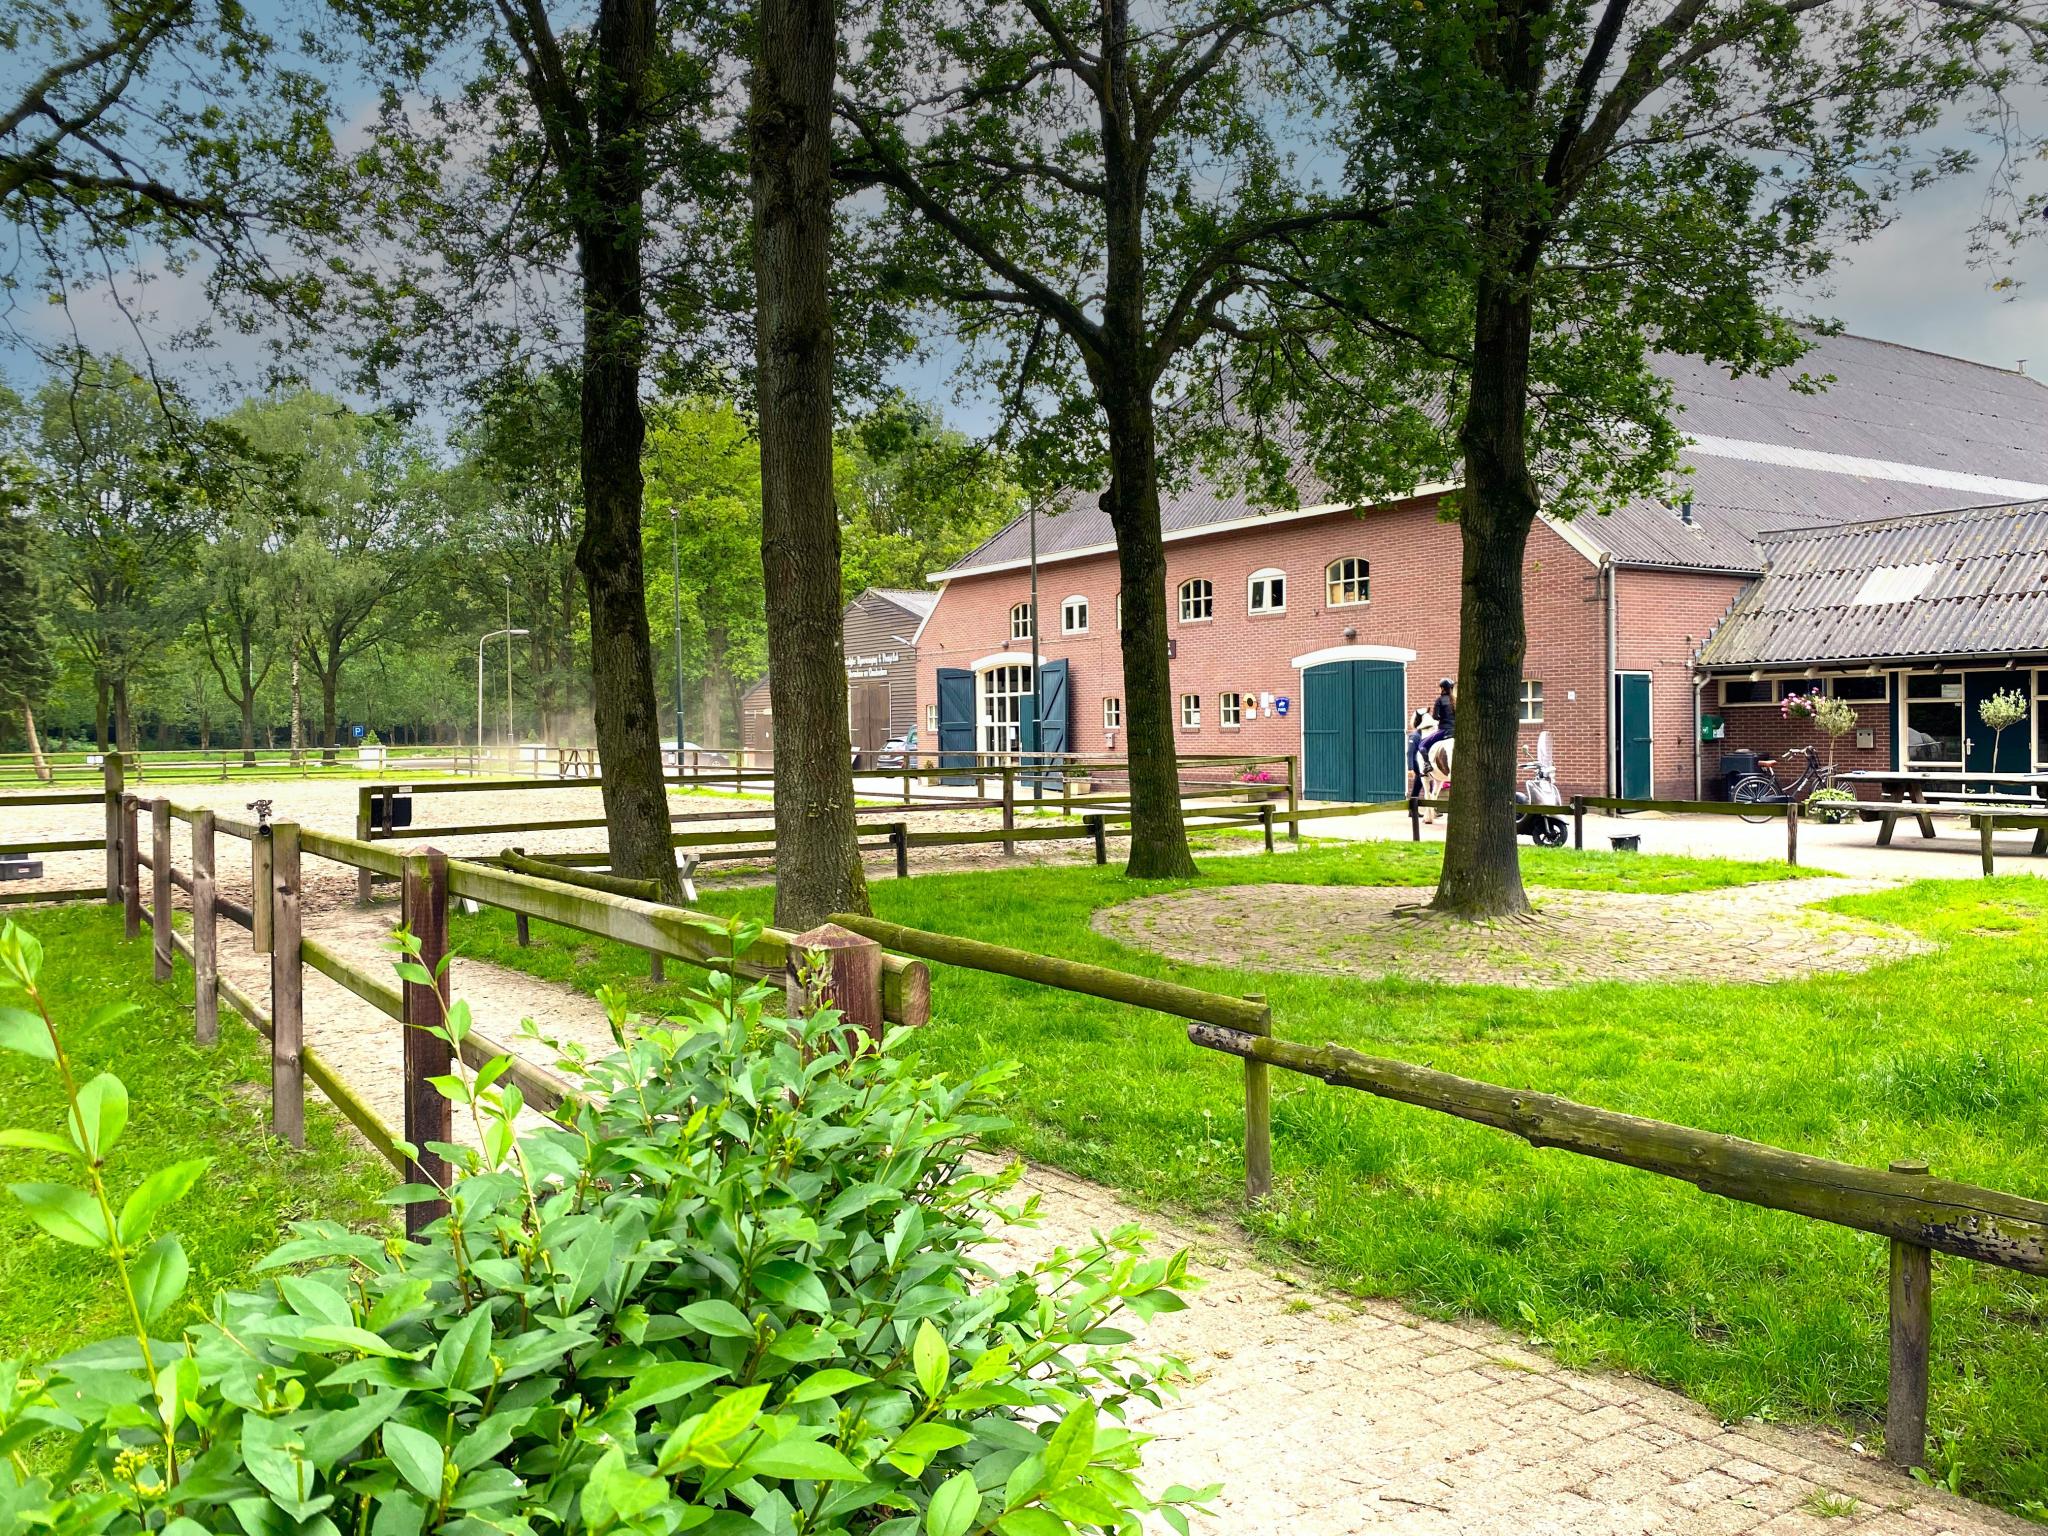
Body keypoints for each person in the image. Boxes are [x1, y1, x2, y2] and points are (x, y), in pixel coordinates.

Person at [1418, 678, 1455, 762]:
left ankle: (1427, 765)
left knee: (1422, 745)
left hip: (1444, 731)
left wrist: (1442, 718)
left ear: (1442, 688)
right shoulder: (1456, 700)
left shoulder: (1439, 700)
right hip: (1456, 731)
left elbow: (1435, 717)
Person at [1406, 707, 1433, 798]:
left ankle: (1418, 805)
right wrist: (1410, 768)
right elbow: (1410, 752)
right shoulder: (1415, 736)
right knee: (1419, 788)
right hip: (1419, 766)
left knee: (1424, 787)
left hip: (1424, 766)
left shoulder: (1425, 735)